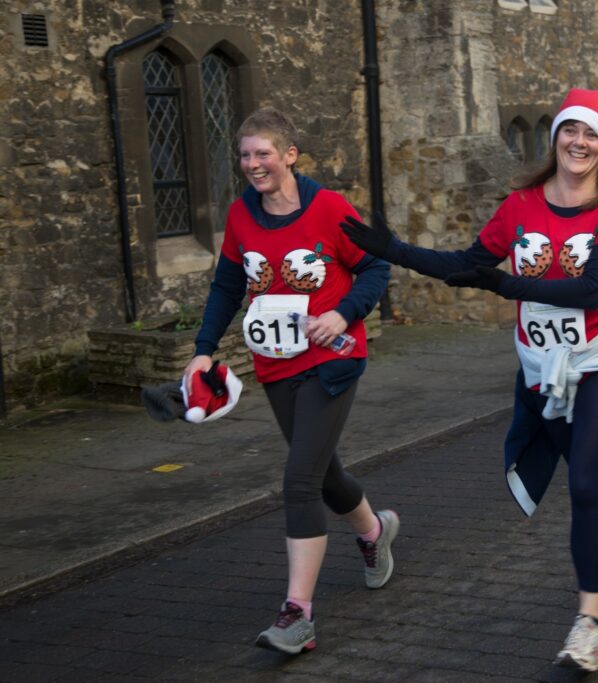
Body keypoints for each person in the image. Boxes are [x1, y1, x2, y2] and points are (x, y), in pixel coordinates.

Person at [342, 88, 598, 672]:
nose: (579, 143)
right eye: (570, 131)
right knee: (587, 475)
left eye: (591, 135)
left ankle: (588, 625)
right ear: (557, 138)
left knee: (583, 486)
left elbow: (591, 288)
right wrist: (395, 248)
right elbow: (465, 264)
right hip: (542, 364)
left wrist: (507, 287)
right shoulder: (522, 203)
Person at [185, 107, 397, 655]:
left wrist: (343, 313)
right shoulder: (241, 216)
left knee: (299, 480)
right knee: (324, 475)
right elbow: (228, 285)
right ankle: (375, 531)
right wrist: (203, 352)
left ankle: (297, 614)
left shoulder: (328, 208)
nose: (253, 164)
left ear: (289, 156)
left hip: (333, 357)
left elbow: (376, 267)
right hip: (274, 363)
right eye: (245, 155)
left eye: (263, 154)